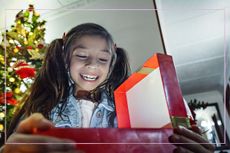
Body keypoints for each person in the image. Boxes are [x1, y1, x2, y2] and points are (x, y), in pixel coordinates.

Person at [2, 23, 214, 153]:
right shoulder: (41, 106)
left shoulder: (133, 108)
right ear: (65, 57)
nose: (92, 65)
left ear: (112, 62)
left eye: (103, 59)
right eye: (82, 55)